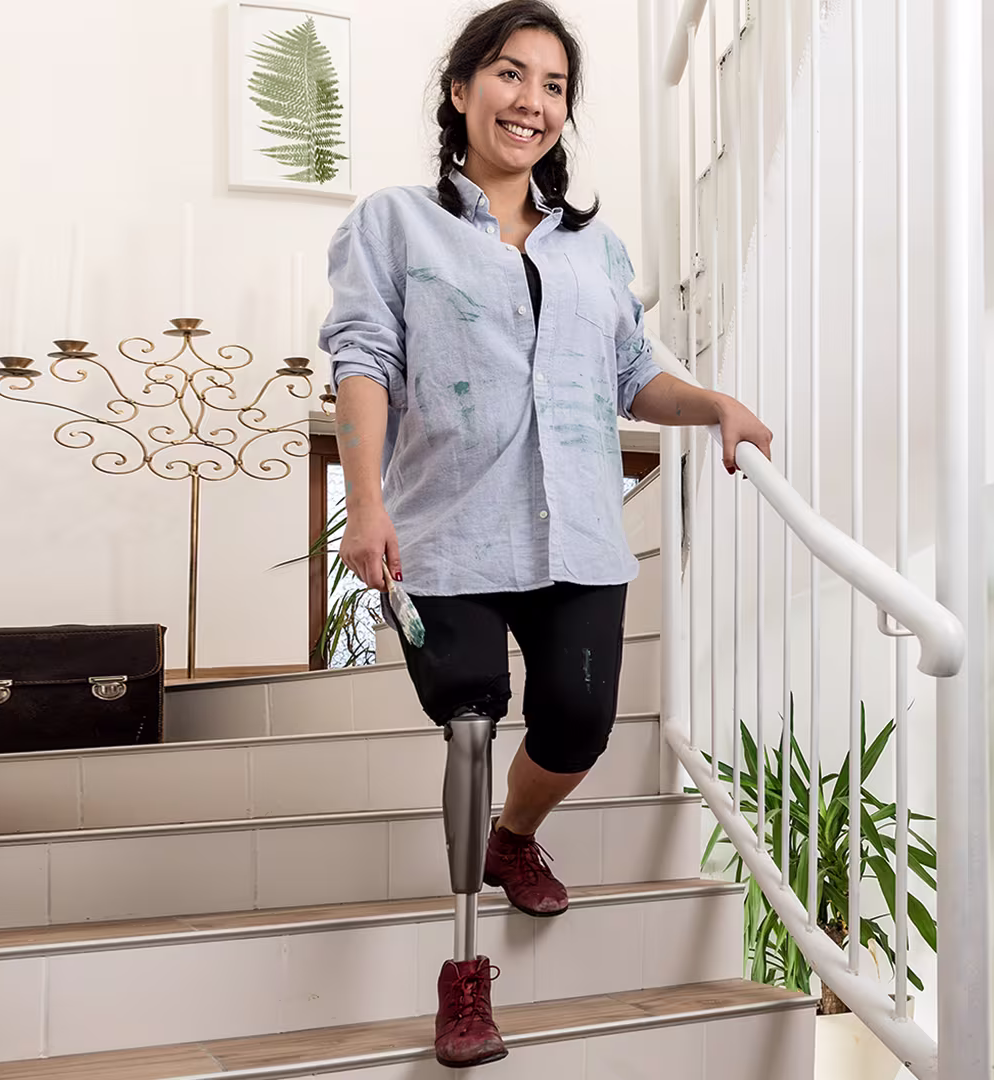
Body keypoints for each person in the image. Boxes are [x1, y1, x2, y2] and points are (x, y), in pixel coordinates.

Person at [320, 0, 771, 1067]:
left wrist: (710, 405)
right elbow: (362, 360)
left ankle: (511, 834)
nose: (532, 102)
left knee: (577, 726)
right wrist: (367, 502)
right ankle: (466, 978)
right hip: (448, 534)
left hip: (577, 533)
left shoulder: (594, 248)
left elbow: (630, 378)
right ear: (462, 89)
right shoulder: (393, 223)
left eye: (554, 86)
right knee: (473, 721)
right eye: (511, 75)